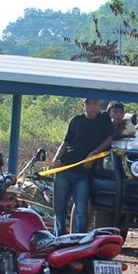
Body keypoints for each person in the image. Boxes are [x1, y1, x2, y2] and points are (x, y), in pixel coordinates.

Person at [50, 98, 113, 236]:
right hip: (65, 169)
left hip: (83, 173)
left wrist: (94, 153)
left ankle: (78, 241)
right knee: (59, 210)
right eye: (89, 103)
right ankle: (58, 240)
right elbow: (66, 142)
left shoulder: (103, 119)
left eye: (95, 103)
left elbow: (109, 139)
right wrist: (56, 158)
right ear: (83, 105)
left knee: (81, 211)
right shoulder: (76, 120)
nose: (92, 106)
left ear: (99, 105)